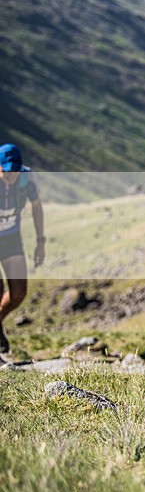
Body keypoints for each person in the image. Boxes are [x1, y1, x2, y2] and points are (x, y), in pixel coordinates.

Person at [0, 143, 45, 354]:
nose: (11, 174)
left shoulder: (27, 179)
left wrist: (40, 241)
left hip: (11, 239)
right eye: (6, 170)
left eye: (15, 169)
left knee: (18, 293)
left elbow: (37, 207)